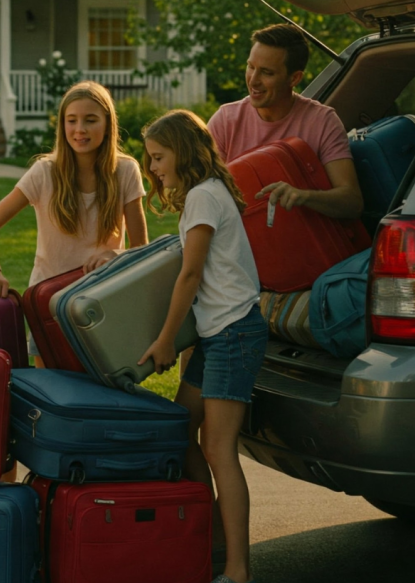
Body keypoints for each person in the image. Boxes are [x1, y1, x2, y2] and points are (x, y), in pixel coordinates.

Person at [139, 109, 266, 583]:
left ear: (183, 151)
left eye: (158, 157)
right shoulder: (206, 193)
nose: (153, 168)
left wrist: (166, 340)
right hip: (220, 333)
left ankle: (237, 570)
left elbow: (190, 275)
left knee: (217, 447)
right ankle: (212, 535)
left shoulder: (203, 196)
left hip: (233, 332)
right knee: (183, 426)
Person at [0, 81, 148, 367]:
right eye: (71, 120)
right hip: (49, 306)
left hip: (102, 303)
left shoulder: (126, 170)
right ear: (62, 125)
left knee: (103, 389)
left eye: (90, 120)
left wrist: (115, 255)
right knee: (53, 388)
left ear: (108, 124)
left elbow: (141, 249)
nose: (80, 129)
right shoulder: (44, 172)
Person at [207, 23, 363, 219]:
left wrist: (303, 196)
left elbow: (352, 201)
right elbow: (199, 194)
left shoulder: (322, 122)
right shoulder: (225, 120)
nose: (253, 80)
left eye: (267, 72)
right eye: (251, 67)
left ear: (294, 78)